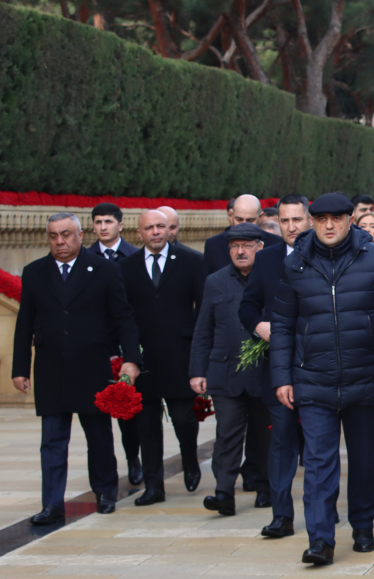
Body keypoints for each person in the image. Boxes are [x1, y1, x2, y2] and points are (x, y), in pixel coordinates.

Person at [270, 193, 374, 566]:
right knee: (318, 462)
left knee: (364, 460)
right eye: (321, 218)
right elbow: (282, 324)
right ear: (312, 222)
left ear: (350, 220)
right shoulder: (296, 264)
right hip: (313, 380)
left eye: (337, 218)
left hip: (367, 377)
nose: (329, 225)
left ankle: (363, 525)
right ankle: (320, 539)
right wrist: (282, 375)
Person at [12, 213, 140, 524]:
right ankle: (52, 504)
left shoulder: (105, 270)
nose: (60, 241)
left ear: (80, 235)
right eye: (54, 236)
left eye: (66, 234)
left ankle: (105, 491)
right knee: (53, 440)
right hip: (50, 367)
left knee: (98, 435)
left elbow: (123, 318)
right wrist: (20, 368)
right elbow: (24, 322)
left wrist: (131, 359)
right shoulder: (35, 272)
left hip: (91, 364)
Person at [120, 209, 207, 506]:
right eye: (149, 228)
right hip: (143, 357)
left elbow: (203, 308)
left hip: (180, 354)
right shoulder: (127, 266)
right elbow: (123, 315)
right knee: (146, 424)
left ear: (169, 230)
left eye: (161, 226)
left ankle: (190, 460)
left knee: (184, 417)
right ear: (139, 234)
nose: (156, 232)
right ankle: (154, 486)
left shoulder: (191, 260)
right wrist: (129, 355)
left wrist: (198, 349)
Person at [239, 194, 311, 539]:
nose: (292, 227)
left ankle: (321, 510)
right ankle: (282, 515)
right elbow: (248, 305)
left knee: (318, 444)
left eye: (297, 219)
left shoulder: (325, 253)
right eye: (285, 221)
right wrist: (258, 326)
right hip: (277, 365)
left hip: (319, 365)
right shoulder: (266, 258)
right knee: (281, 442)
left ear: (309, 220)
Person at [190, 222, 272, 516]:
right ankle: (223, 492)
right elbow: (203, 330)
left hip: (264, 371)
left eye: (246, 246)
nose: (240, 251)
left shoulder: (273, 278)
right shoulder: (215, 281)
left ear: (259, 248)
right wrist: (197, 371)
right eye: (235, 246)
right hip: (225, 372)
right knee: (226, 433)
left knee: (266, 435)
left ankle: (265, 487)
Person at [90, 202, 141, 486]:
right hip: (98, 344)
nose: (103, 227)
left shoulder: (133, 257)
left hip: (127, 343)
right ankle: (105, 468)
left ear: (120, 225)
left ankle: (133, 458)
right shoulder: (85, 258)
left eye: (108, 221)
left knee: (127, 410)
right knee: (97, 411)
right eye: (98, 222)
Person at [205, 195, 284, 274]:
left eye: (250, 220)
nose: (244, 225)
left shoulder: (277, 244)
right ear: (231, 215)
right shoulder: (213, 245)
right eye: (239, 220)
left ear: (260, 217)